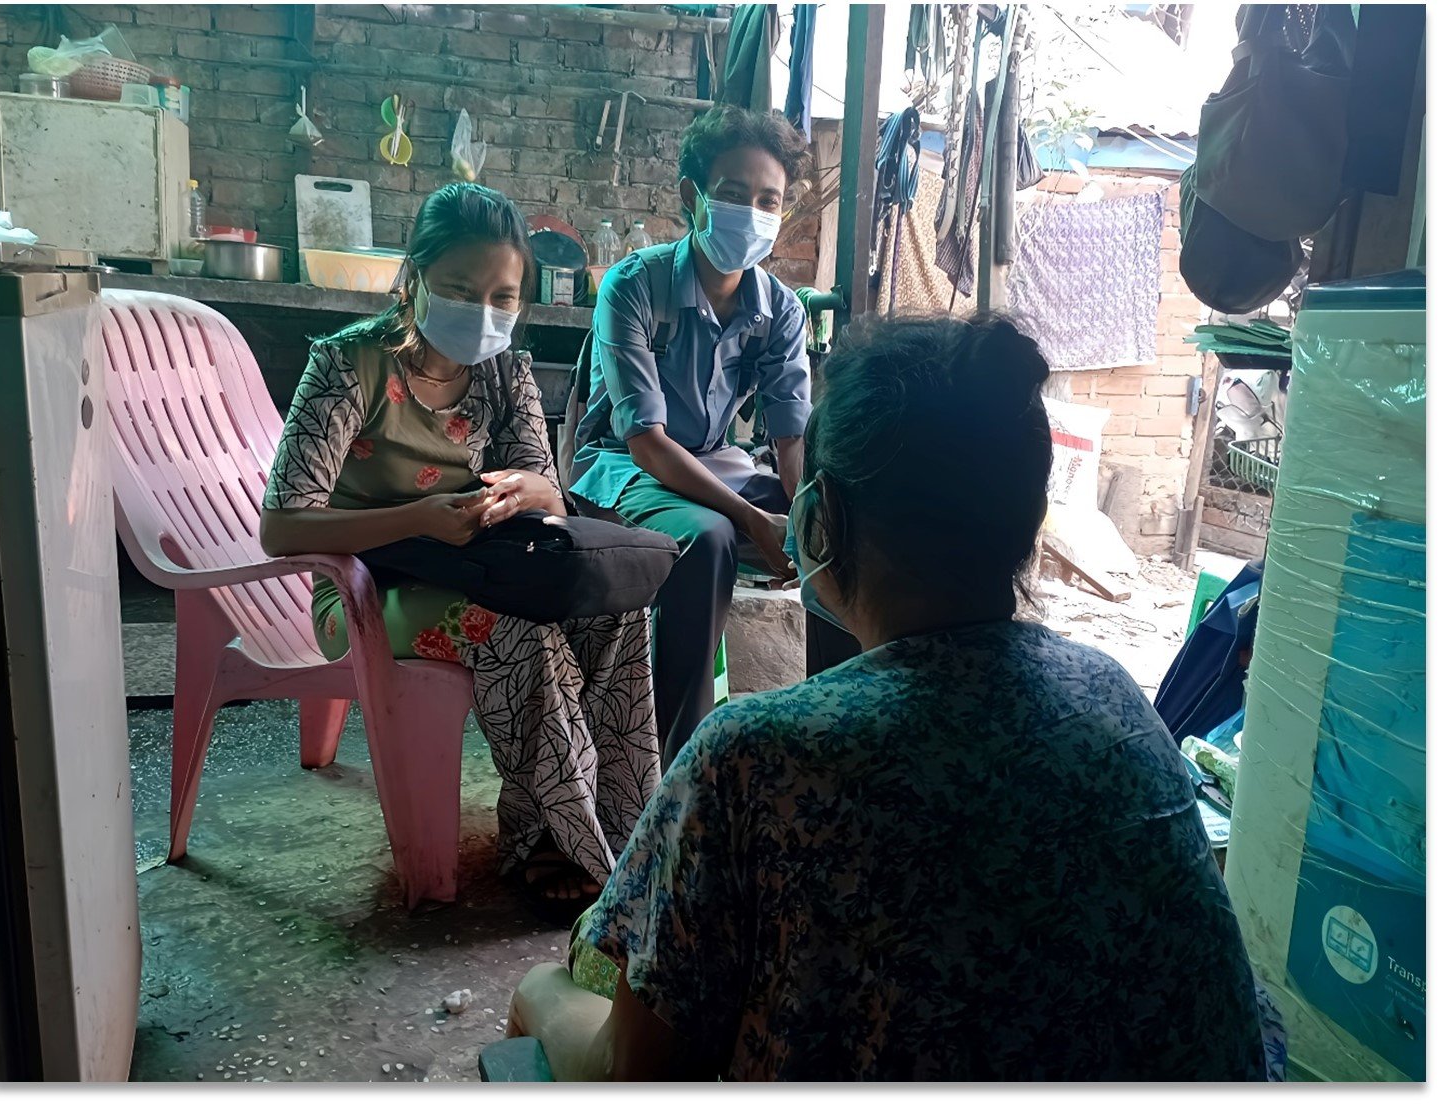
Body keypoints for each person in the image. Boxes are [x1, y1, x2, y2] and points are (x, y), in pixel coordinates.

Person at [506, 315, 1280, 1081]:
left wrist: (541, 996)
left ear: (818, 518)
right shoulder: (1112, 699)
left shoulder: (753, 760)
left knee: (556, 997)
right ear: (1027, 523)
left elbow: (632, 1075)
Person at [260, 183, 659, 921]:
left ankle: (624, 826)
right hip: (368, 592)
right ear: (413, 277)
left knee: (619, 612)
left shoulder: (504, 370)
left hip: (481, 566)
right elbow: (283, 527)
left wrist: (535, 496)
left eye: (503, 297)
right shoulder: (350, 367)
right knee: (520, 631)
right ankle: (551, 839)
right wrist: (418, 519)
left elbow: (544, 483)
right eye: (458, 290)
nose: (483, 313)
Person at [568, 104, 858, 766]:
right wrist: (757, 522)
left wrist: (804, 516)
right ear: (690, 196)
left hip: (716, 465)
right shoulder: (634, 287)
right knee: (709, 537)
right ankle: (681, 762)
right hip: (622, 468)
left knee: (840, 533)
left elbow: (791, 441)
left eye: (768, 199)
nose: (752, 212)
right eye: (732, 194)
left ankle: (839, 737)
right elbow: (644, 441)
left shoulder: (780, 310)